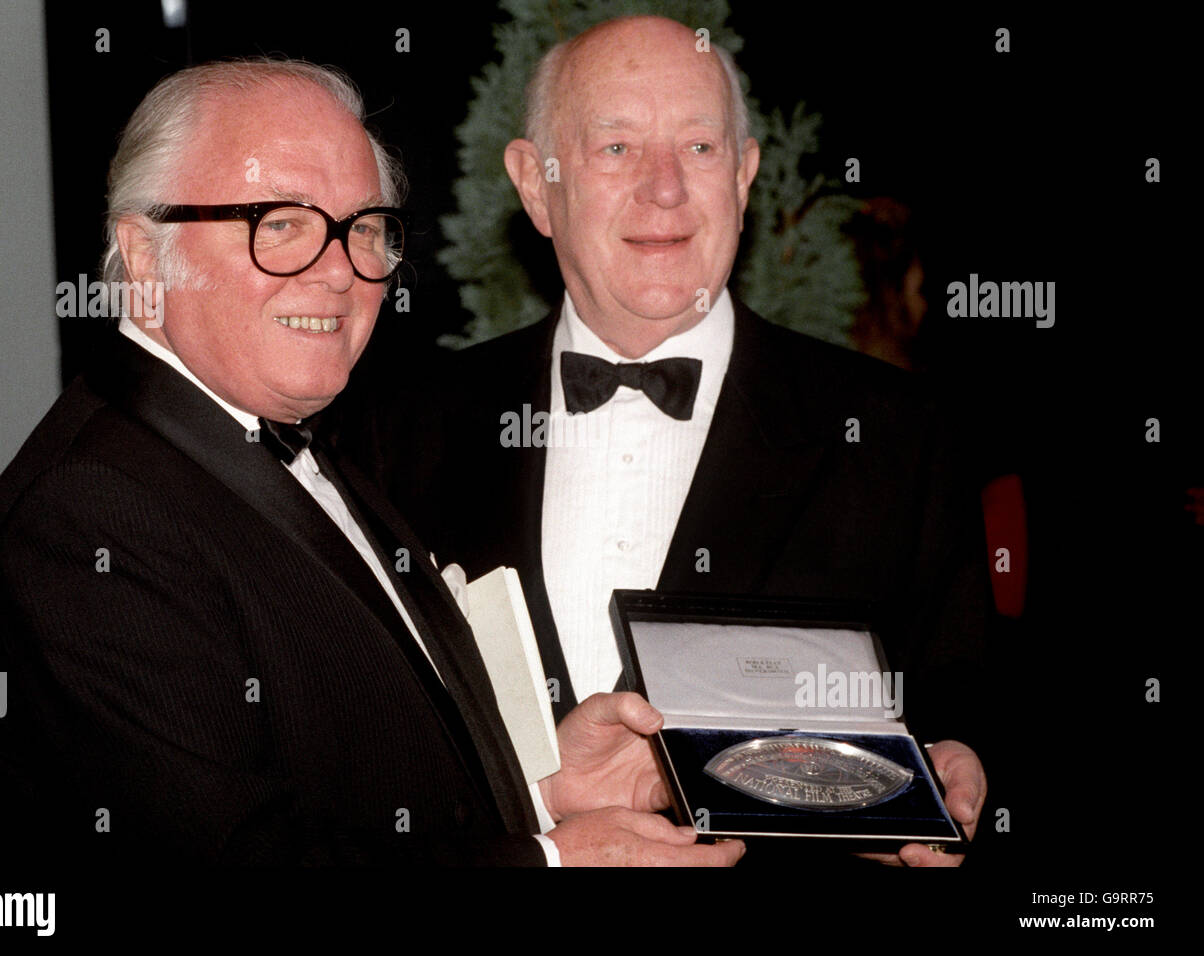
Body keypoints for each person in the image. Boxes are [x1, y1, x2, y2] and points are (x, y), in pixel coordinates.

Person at [0, 58, 743, 867]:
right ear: (147, 255)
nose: (339, 271)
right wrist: (549, 862)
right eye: (282, 224)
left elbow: (351, 786)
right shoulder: (91, 513)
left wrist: (538, 793)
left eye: (363, 227)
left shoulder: (309, 444)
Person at [331, 17, 989, 866]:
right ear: (536, 185)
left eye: (702, 148)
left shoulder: (899, 436)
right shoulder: (393, 434)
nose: (666, 189)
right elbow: (351, 751)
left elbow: (969, 695)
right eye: (615, 148)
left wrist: (966, 764)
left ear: (745, 175)